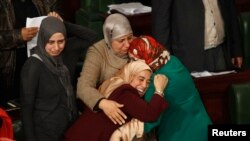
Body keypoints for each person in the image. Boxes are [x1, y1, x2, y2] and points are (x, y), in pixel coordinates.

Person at [0, 0, 97, 106]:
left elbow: (62, 29)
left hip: (47, 61)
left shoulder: (48, 2)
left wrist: (61, 22)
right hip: (10, 69)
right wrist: (18, 35)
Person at [128, 36, 212, 141]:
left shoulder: (156, 80)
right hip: (201, 126)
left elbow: (150, 118)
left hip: (180, 134)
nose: (131, 64)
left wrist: (123, 129)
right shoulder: (172, 60)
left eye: (134, 60)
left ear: (145, 57)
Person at [64, 60, 168, 141]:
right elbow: (150, 114)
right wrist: (159, 90)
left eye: (148, 82)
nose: (144, 85)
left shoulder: (113, 82)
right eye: (140, 79)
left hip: (77, 135)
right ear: (130, 75)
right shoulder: (125, 92)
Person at [20, 17, 77, 141]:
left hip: (67, 130)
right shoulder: (33, 65)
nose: (56, 48)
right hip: (44, 134)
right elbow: (26, 109)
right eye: (50, 42)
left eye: (61, 41)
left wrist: (63, 23)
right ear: (43, 39)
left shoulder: (63, 59)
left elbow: (90, 36)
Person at [151, 0, 243, 72]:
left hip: (222, 50)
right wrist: (165, 61)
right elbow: (161, 23)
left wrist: (236, 49)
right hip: (187, 56)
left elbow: (230, 9)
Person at [77, 13, 134, 125]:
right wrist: (103, 103)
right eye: (121, 40)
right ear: (109, 39)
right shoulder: (98, 52)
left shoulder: (137, 44)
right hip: (108, 110)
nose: (127, 44)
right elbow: (83, 87)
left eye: (130, 37)